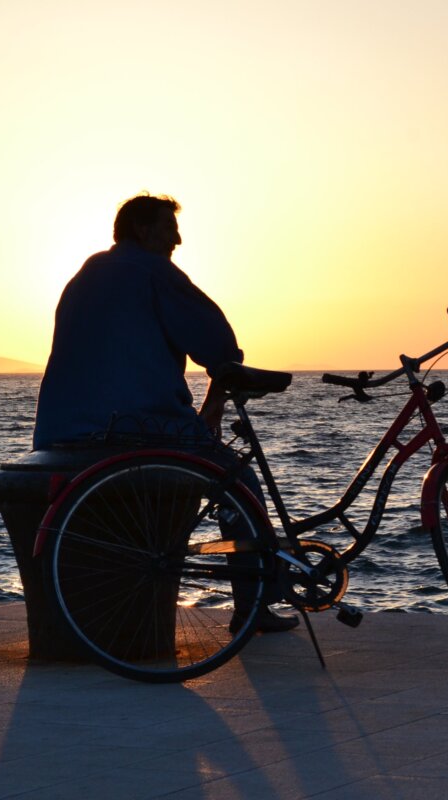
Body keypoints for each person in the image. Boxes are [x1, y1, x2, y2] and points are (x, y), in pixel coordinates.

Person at [33, 193, 298, 633]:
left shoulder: (84, 275)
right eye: (169, 226)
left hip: (62, 431)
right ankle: (254, 607)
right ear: (142, 230)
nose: (178, 237)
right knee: (239, 483)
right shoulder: (153, 272)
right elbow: (221, 349)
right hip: (133, 428)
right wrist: (212, 405)